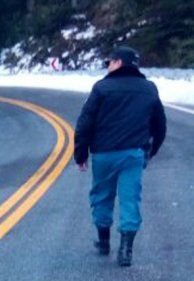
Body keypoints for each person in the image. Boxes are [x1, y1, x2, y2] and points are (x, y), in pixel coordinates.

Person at [74, 47, 166, 267]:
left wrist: (80, 153)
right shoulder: (149, 88)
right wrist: (151, 151)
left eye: (110, 62)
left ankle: (104, 241)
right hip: (133, 154)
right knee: (130, 198)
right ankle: (126, 250)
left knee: (102, 195)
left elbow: (85, 122)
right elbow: (160, 125)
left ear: (118, 63)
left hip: (104, 154)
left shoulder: (101, 88)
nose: (108, 66)